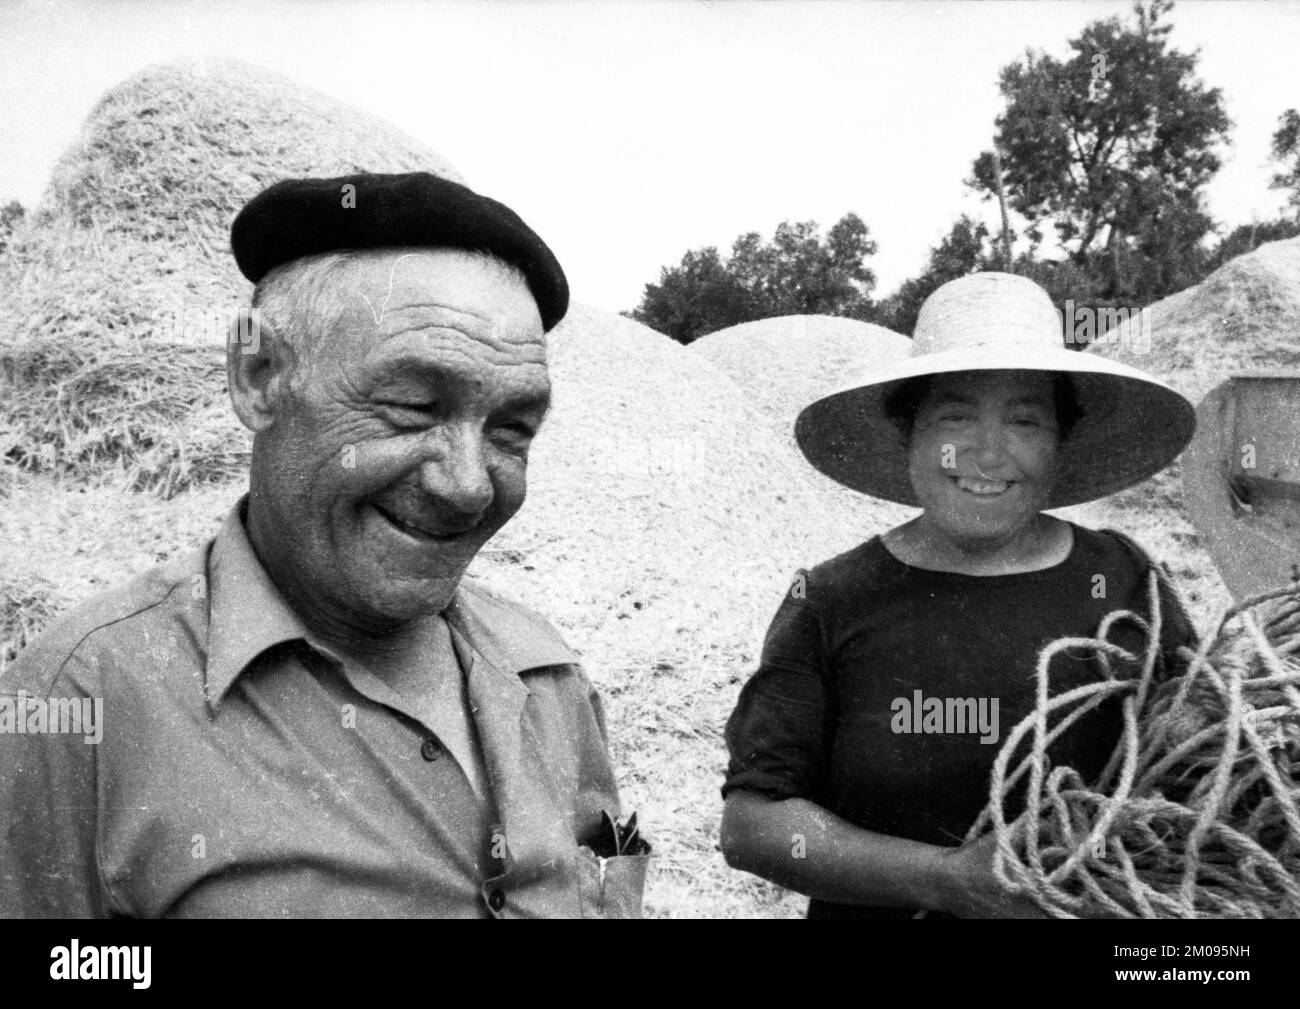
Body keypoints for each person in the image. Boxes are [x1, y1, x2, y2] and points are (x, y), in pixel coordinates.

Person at [0, 171, 647, 918]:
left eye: (512, 430)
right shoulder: (76, 707)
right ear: (258, 376)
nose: (469, 484)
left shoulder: (550, 678)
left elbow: (608, 883)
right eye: (413, 406)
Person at [719, 271, 1197, 918]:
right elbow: (752, 825)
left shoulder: (1126, 578)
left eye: (1025, 419)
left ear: (1059, 443)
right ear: (909, 434)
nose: (988, 453)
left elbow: (1199, 758)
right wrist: (946, 878)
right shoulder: (830, 600)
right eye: (955, 416)